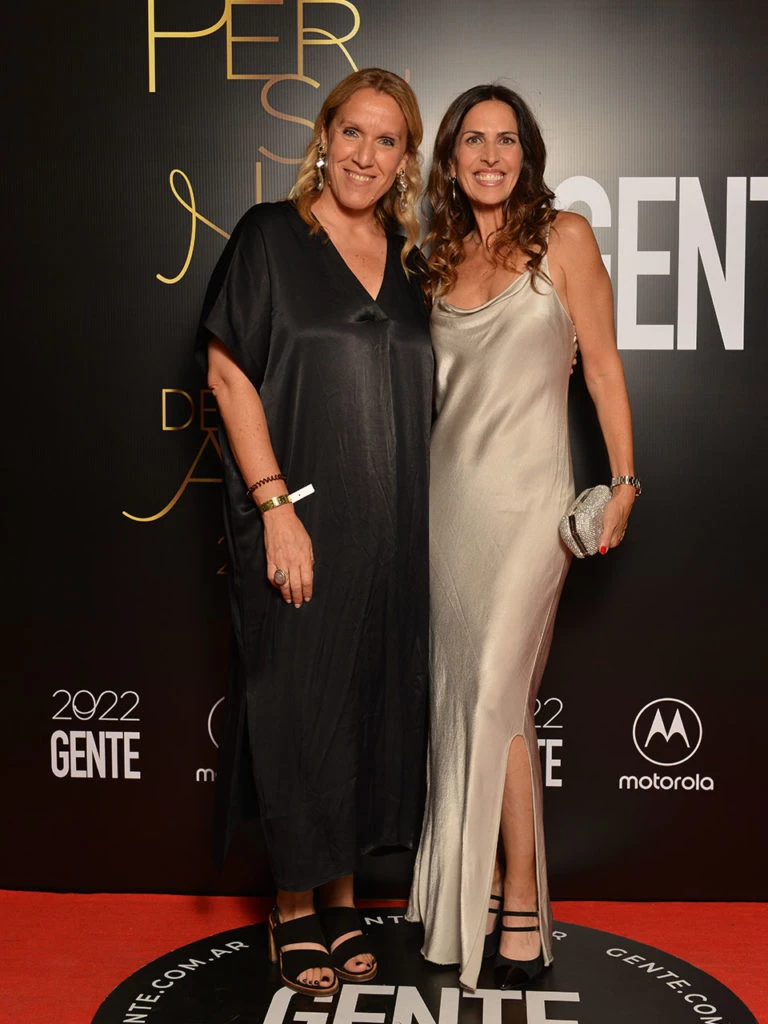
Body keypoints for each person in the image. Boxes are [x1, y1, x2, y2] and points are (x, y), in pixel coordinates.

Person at [197, 68, 432, 996]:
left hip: (395, 530)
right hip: (300, 516)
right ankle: (292, 906)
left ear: (405, 160)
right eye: (353, 132)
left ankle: (341, 897)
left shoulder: (413, 260)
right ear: (325, 138)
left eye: (387, 140)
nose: (366, 155)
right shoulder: (269, 236)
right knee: (299, 703)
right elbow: (227, 373)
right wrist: (275, 507)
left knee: (365, 703)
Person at [406, 84, 639, 991]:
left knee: (499, 693)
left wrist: (623, 480)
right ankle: (474, 894)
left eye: (507, 140)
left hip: (532, 506)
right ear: (451, 158)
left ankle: (520, 900)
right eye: (474, 140)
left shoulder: (566, 237)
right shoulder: (437, 257)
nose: (491, 155)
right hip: (448, 504)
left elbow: (603, 365)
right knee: (469, 700)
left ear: (527, 154)